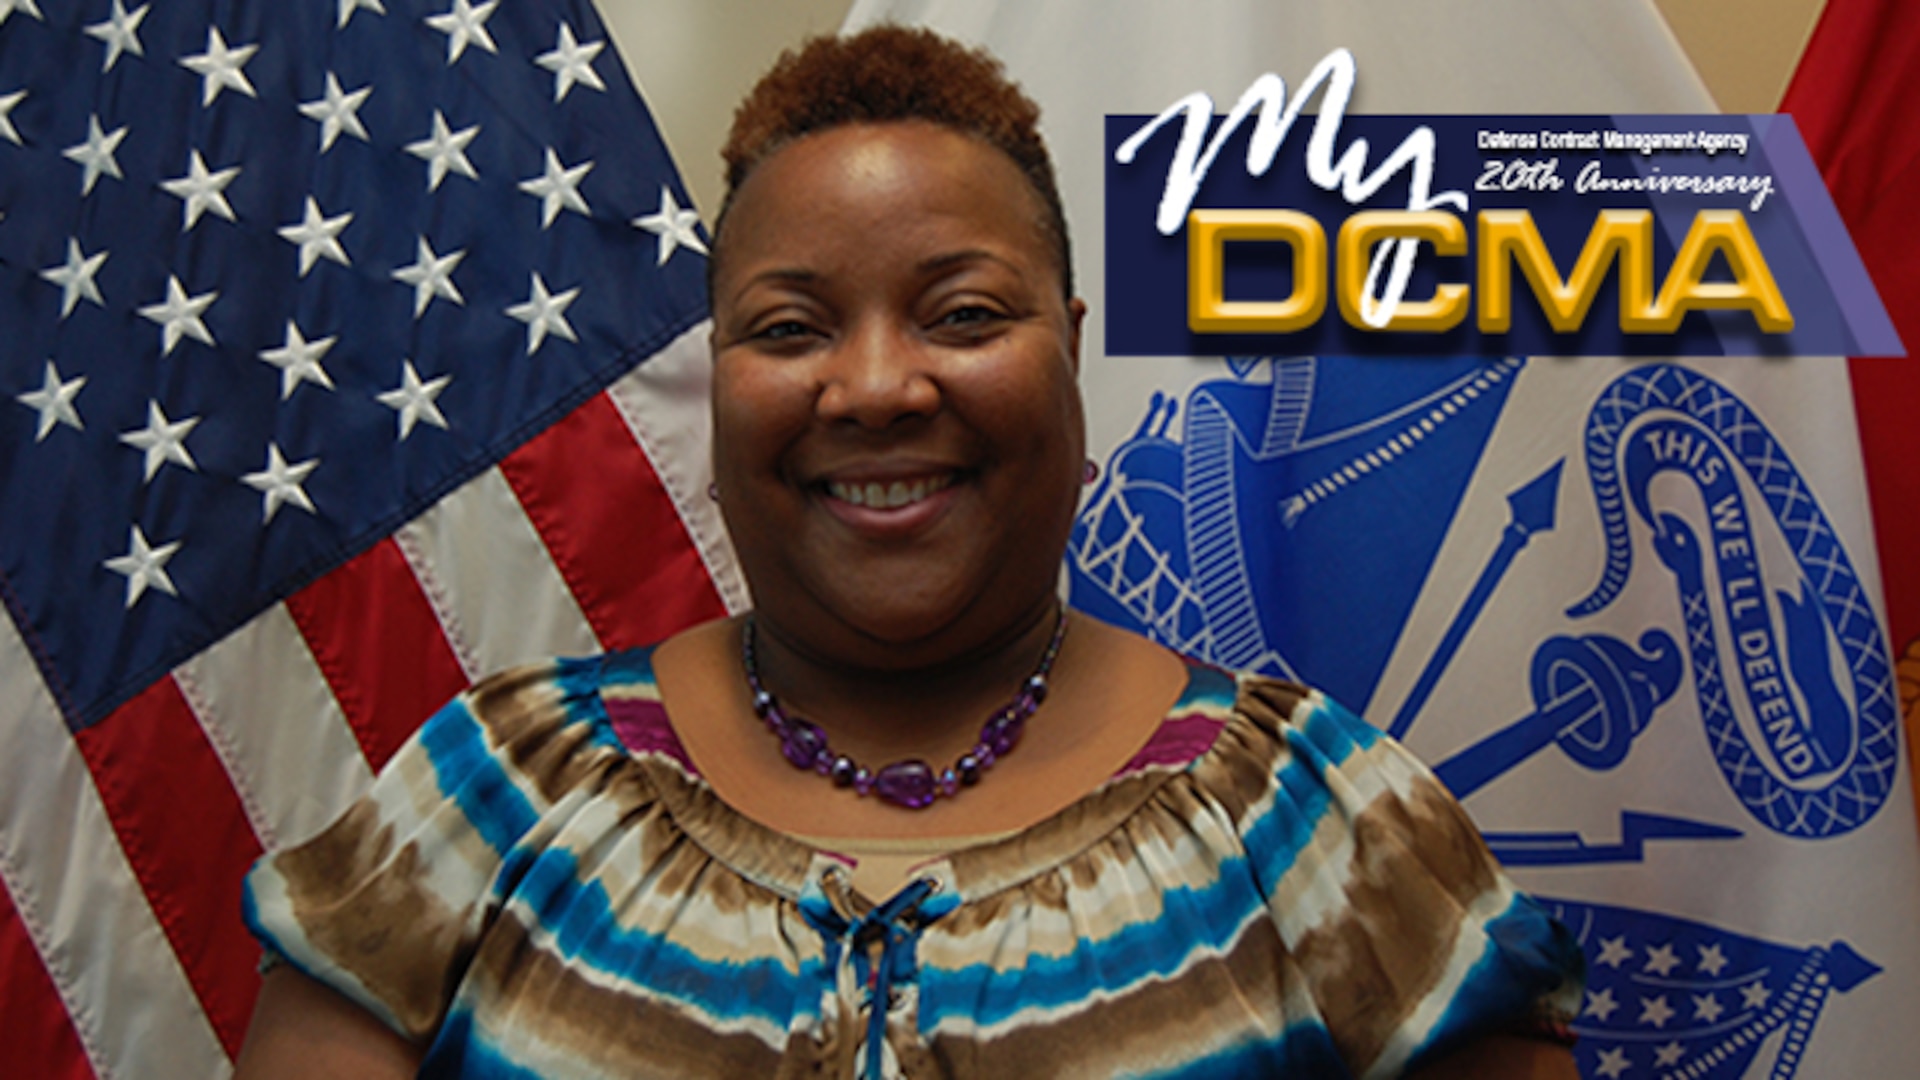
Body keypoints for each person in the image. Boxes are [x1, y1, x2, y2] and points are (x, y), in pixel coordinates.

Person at [235, 27, 1583, 1079]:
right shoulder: (495, 796)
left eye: (964, 312)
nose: (875, 385)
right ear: (720, 378)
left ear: (1075, 342)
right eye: (789, 328)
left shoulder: (1323, 824)